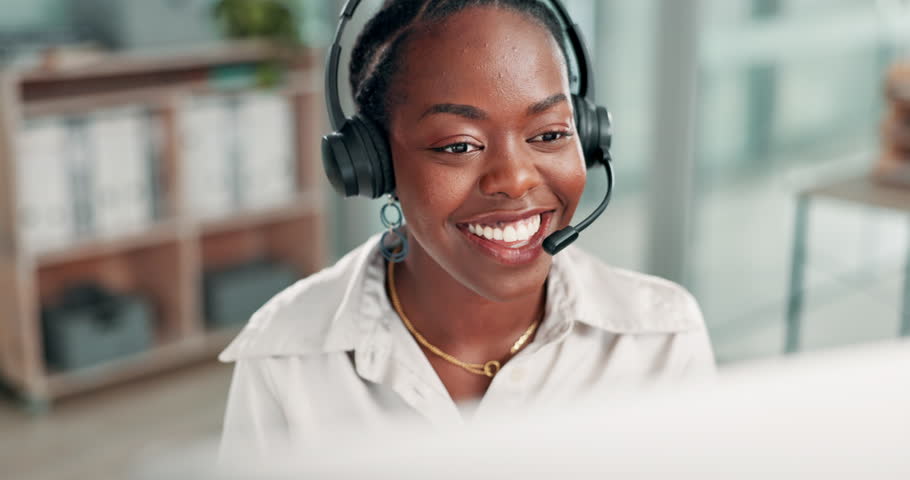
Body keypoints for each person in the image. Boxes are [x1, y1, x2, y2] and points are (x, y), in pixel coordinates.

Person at [218, 0, 715, 459]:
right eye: (458, 145)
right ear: (372, 166)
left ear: (586, 137)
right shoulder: (285, 354)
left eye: (549, 135)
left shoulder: (660, 338)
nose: (515, 178)